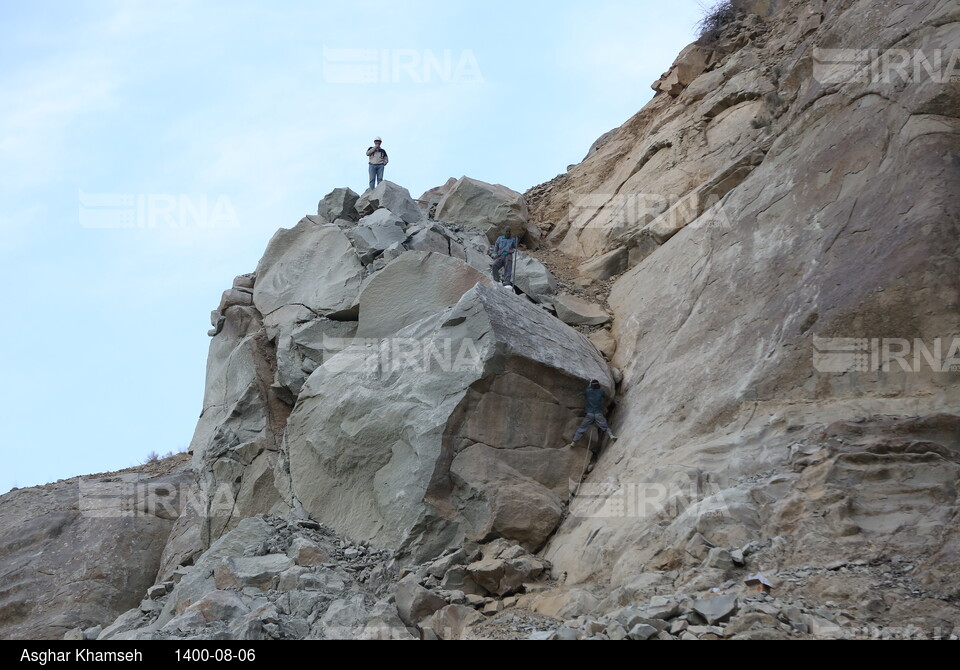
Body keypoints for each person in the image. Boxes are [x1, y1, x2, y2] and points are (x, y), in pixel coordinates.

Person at [567, 379, 617, 447]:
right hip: (598, 413)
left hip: (589, 414)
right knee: (605, 426)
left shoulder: (587, 391)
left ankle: (574, 442)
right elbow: (607, 397)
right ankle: (611, 435)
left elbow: (580, 394)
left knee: (582, 428)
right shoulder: (601, 391)